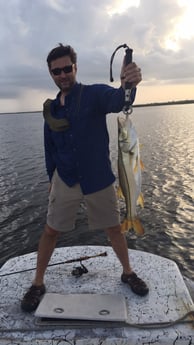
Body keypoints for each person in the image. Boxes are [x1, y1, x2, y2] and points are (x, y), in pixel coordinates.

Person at [21, 44, 149, 312]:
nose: (63, 74)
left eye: (67, 68)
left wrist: (129, 84)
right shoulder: (52, 110)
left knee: (114, 228)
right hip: (64, 178)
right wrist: (50, 178)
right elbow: (50, 148)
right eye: (57, 71)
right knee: (50, 231)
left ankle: (127, 272)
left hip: (97, 177)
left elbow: (119, 100)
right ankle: (38, 282)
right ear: (51, 73)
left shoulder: (93, 95)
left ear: (75, 68)